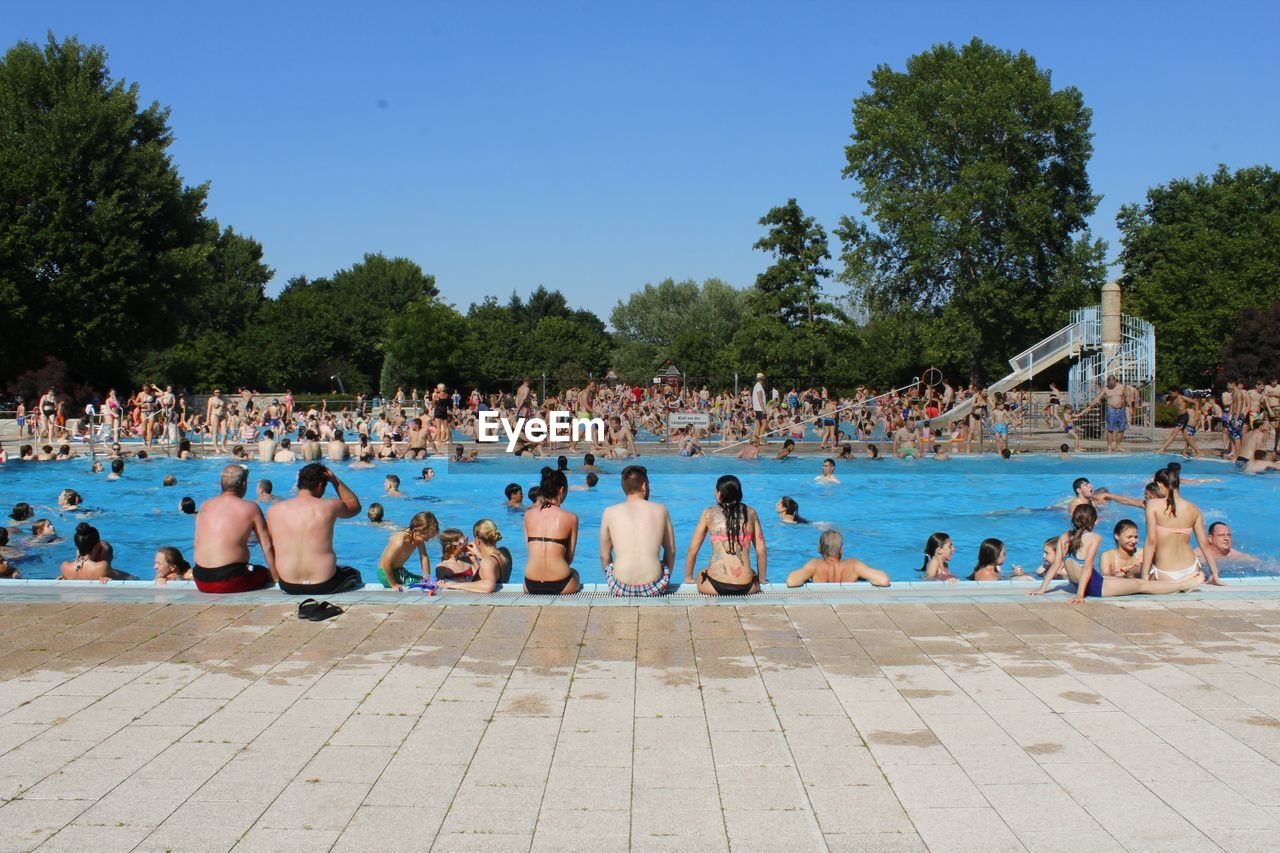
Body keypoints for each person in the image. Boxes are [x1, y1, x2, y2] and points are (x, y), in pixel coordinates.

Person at [1032, 503, 1202, 601]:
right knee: (1142, 586)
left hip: (1089, 584)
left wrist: (1042, 589)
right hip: (1095, 587)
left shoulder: (1065, 537)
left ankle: (1182, 582)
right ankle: (1183, 584)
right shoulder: (1094, 538)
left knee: (1129, 582)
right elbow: (1086, 567)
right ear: (1094, 521)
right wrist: (1081, 595)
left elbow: (1055, 566)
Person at [267, 463, 363, 595]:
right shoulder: (329, 506)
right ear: (320, 486)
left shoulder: (273, 511)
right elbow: (355, 506)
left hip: (288, 584)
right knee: (354, 573)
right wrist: (335, 480)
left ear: (299, 483)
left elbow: (270, 546)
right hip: (324, 584)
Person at [193, 465, 278, 593]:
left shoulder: (205, 505)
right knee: (261, 572)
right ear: (244, 484)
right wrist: (275, 576)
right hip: (230, 581)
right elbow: (267, 546)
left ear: (221, 483)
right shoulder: (251, 508)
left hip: (200, 579)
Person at [598, 465, 675, 597]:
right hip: (654, 586)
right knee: (661, 565)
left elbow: (604, 556)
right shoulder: (661, 510)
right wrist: (663, 579)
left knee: (612, 565)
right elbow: (671, 550)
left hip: (620, 587)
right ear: (644, 486)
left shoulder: (609, 512)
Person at [684, 474, 766, 595]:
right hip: (747, 587)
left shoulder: (709, 513)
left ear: (719, 493)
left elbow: (692, 549)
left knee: (701, 573)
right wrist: (762, 580)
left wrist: (688, 578)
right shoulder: (751, 512)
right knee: (751, 572)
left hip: (715, 585)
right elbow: (761, 549)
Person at [1141, 467, 1222, 585]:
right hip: (1192, 570)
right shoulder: (1193, 508)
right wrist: (1215, 573)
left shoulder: (1153, 505)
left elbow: (1151, 542)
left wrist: (1144, 575)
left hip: (1165, 572)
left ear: (1159, 484)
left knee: (1133, 574)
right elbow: (1204, 543)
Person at [523, 467, 581, 595]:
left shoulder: (528, 515)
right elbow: (569, 557)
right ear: (561, 490)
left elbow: (531, 551)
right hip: (562, 583)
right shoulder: (571, 518)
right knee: (575, 572)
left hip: (530, 584)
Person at [787, 529, 889, 587]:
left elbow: (791, 581)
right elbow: (883, 580)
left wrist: (807, 579)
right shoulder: (854, 565)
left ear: (819, 549)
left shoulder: (815, 565)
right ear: (841, 550)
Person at [440, 519, 509, 593]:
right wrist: (478, 557)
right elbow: (492, 568)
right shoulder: (504, 552)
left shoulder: (487, 561)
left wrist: (457, 585)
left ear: (478, 540)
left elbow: (488, 586)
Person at [376, 511, 439, 589]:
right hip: (385, 574)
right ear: (416, 529)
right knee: (420, 584)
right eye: (425, 538)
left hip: (399, 571)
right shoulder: (399, 541)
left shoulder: (417, 539)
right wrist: (394, 584)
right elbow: (386, 563)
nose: (426, 541)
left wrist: (427, 578)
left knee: (423, 581)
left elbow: (424, 557)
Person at [60, 523, 128, 582]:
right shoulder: (102, 567)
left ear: (77, 546)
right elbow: (127, 578)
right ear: (97, 545)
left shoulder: (65, 567)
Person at [1080, 376, 1129, 453]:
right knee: (1110, 429)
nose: (1110, 385)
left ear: (1115, 381)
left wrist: (1129, 406)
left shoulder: (1121, 387)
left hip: (1121, 410)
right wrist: (1089, 407)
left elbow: (1127, 396)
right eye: (1109, 383)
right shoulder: (1106, 389)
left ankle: (1118, 445)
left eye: (1112, 383)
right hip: (1111, 409)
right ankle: (1109, 447)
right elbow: (1097, 398)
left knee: (1122, 428)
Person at [751, 372, 767, 440]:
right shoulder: (759, 386)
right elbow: (760, 398)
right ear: (761, 379)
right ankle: (760, 439)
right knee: (764, 423)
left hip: (757, 408)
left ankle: (756, 439)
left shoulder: (757, 386)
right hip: (759, 408)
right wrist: (763, 409)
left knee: (759, 424)